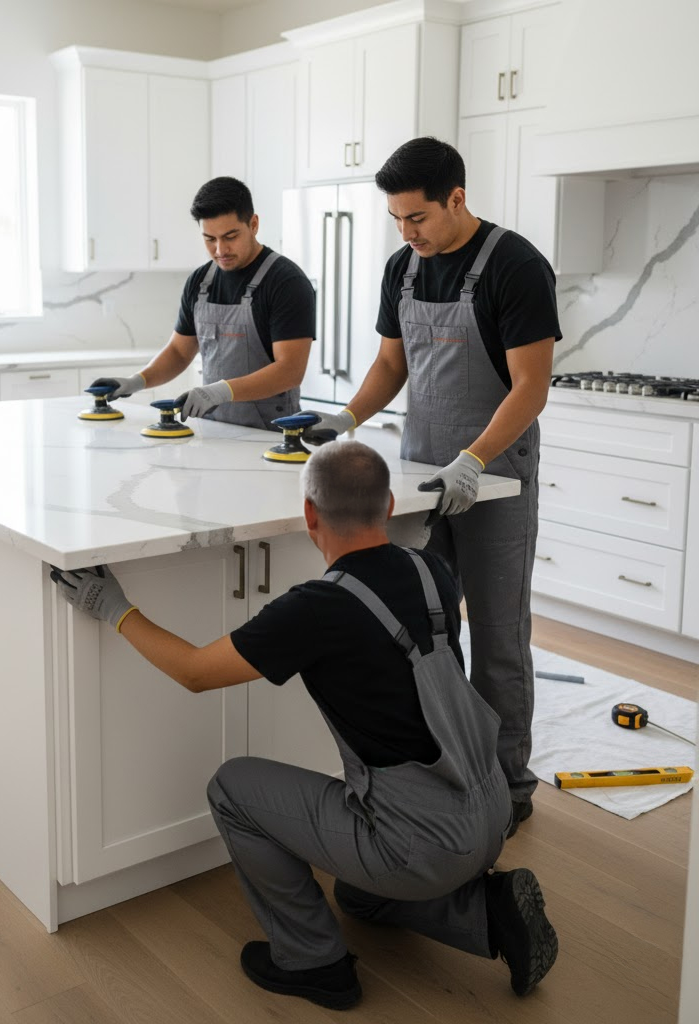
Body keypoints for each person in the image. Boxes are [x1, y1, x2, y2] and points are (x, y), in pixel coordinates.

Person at [49, 441, 558, 1011]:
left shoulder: (317, 608)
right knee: (357, 895)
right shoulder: (430, 569)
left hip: (418, 839)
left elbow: (194, 672)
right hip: (488, 814)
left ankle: (315, 962)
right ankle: (489, 914)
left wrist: (111, 604)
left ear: (310, 515)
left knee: (232, 788)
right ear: (389, 505)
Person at [301, 137, 559, 833]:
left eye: (417, 218)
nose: (407, 233)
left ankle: (508, 784)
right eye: (396, 220)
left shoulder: (516, 266)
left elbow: (531, 388)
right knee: (422, 634)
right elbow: (393, 366)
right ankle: (444, 773)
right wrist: (346, 418)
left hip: (493, 478)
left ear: (456, 199)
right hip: (418, 480)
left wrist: (473, 461)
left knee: (499, 637)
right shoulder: (403, 269)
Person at [89, 176, 315, 430]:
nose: (220, 249)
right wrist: (136, 382)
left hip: (269, 436)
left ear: (253, 224)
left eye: (230, 236)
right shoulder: (200, 282)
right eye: (210, 239)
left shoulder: (286, 282)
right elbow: (178, 351)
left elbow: (290, 371)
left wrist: (219, 391)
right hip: (211, 430)